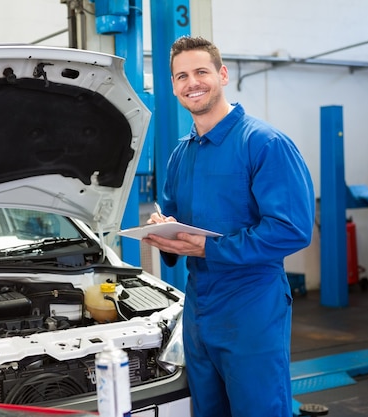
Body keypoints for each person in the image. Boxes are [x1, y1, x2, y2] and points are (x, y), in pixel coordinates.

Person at [143, 36, 315, 417]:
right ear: (173, 86)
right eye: (181, 75)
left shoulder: (264, 143)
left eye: (201, 71)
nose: (192, 83)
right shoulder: (180, 154)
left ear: (222, 74)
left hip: (252, 308)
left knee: (260, 410)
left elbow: (291, 229)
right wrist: (163, 230)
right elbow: (174, 218)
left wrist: (208, 249)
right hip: (199, 309)